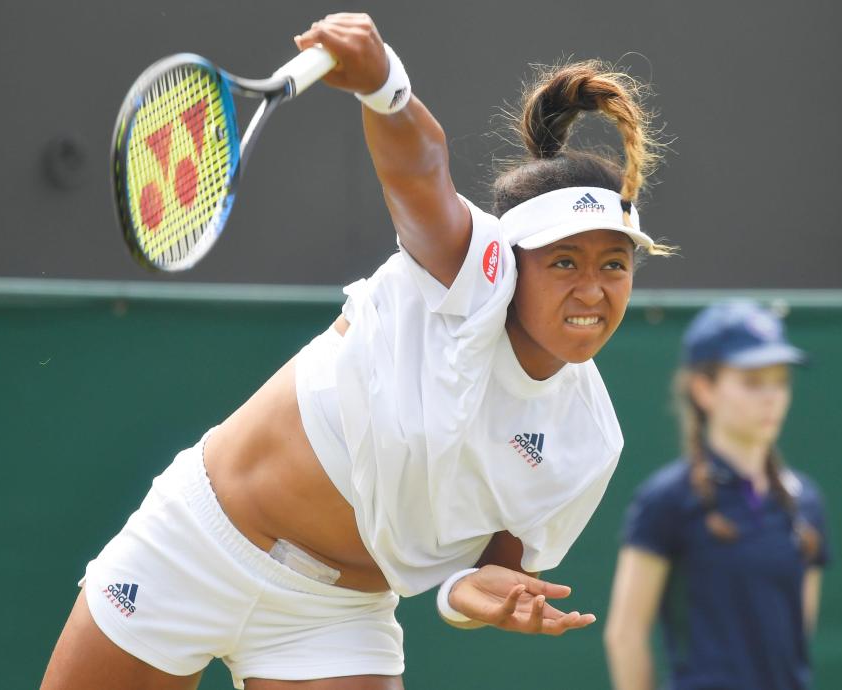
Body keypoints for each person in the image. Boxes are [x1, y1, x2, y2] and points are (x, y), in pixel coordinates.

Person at [42, 12, 673, 690]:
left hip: (332, 614)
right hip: (198, 545)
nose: (592, 288)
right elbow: (420, 175)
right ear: (511, 265)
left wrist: (477, 596)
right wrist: (386, 88)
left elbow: (489, 571)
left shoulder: (587, 442)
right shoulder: (469, 273)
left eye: (614, 265)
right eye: (564, 263)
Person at [604, 301, 830, 690]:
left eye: (780, 381)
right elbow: (625, 635)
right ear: (703, 389)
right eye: (752, 381)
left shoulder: (806, 501)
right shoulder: (666, 499)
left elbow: (797, 633)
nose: (771, 396)